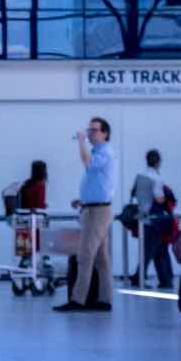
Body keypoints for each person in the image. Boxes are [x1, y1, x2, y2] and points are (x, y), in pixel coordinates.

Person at [57, 117, 118, 314]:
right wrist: (83, 199)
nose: (90, 133)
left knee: (84, 255)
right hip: (93, 208)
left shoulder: (105, 152)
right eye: (89, 130)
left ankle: (78, 300)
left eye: (94, 130)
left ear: (105, 133)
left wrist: (81, 141)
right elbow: (100, 184)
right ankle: (104, 299)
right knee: (101, 259)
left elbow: (87, 163)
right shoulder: (99, 152)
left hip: (98, 212)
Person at [131, 150, 174, 290]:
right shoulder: (156, 178)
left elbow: (133, 193)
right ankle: (140, 277)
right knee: (150, 250)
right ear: (158, 162)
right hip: (154, 218)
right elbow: (159, 198)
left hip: (142, 216)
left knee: (154, 249)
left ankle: (164, 279)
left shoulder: (139, 176)